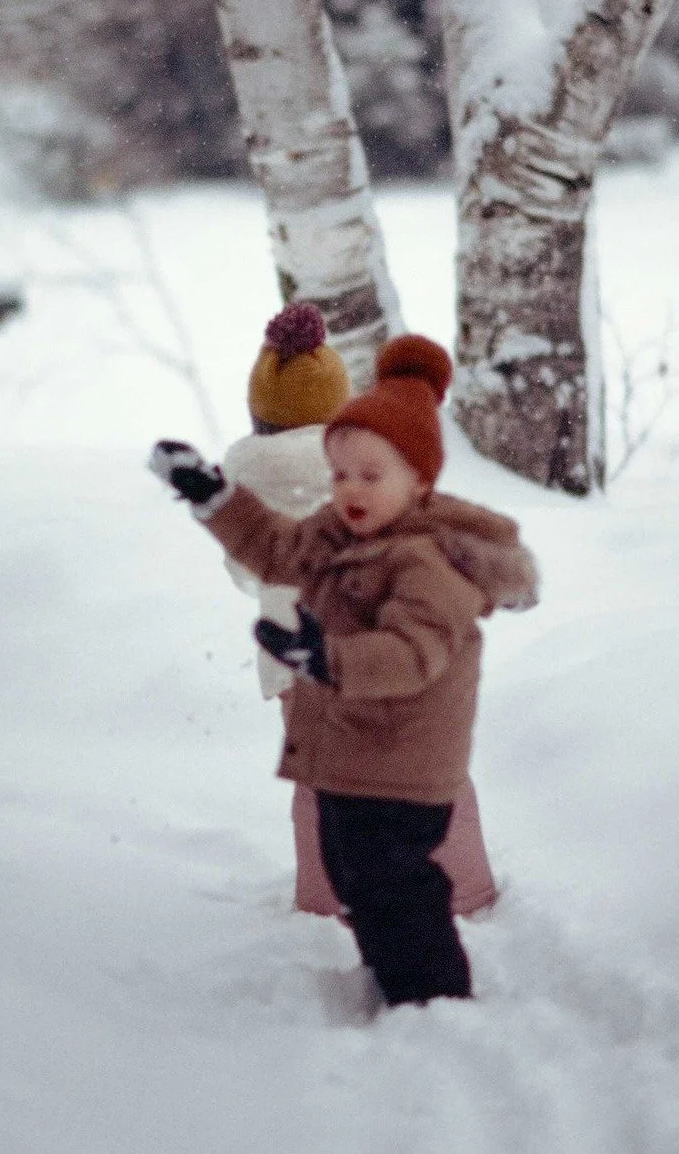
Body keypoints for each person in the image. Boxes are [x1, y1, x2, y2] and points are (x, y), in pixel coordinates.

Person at [151, 334, 538, 1007]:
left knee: (395, 883)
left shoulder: (425, 559)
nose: (350, 489)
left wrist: (324, 659)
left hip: (406, 757)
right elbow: (273, 546)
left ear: (417, 479)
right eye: (341, 473)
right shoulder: (337, 534)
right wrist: (213, 497)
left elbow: (411, 653)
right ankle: (394, 973)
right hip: (357, 749)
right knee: (356, 871)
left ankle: (433, 1000)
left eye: (371, 474)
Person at [224, 305, 500, 920]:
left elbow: (247, 571)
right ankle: (465, 887)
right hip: (386, 649)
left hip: (302, 663)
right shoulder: (368, 466)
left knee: (322, 785)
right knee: (426, 772)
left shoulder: (245, 479)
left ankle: (326, 900)